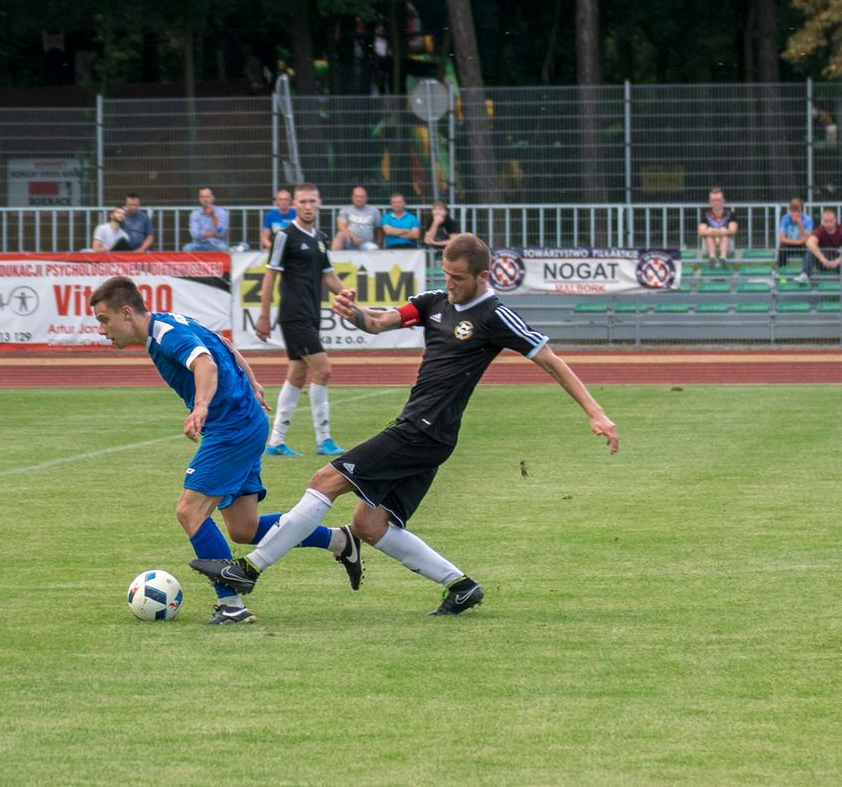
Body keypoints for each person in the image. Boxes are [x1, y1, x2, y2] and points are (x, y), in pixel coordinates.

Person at [191, 232, 619, 617]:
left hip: (424, 430)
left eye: (458, 278)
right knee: (369, 525)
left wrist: (595, 412)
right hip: (425, 431)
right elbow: (379, 322)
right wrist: (352, 312)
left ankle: (247, 569)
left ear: (483, 276)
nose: (450, 284)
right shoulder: (434, 302)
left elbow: (550, 360)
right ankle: (461, 586)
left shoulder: (494, 315)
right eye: (446, 275)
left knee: (325, 480)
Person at [89, 276, 363, 625]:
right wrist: (252, 380)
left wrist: (201, 406)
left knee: (190, 511)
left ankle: (231, 605)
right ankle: (340, 540)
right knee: (243, 529)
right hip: (244, 423)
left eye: (104, 320)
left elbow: (206, 361)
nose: (102, 330)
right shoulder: (171, 321)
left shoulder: (166, 335)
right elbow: (222, 343)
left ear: (126, 312)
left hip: (230, 430)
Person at [256, 182, 348, 458]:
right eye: (303, 202)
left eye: (312, 201)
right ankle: (324, 439)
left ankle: (275, 442)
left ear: (319, 203)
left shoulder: (320, 237)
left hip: (312, 314)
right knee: (324, 370)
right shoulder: (285, 235)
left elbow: (329, 277)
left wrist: (349, 297)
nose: (308, 206)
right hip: (294, 315)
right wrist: (264, 315)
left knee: (297, 375)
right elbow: (270, 274)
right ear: (295, 204)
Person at [794, 208, 842, 282]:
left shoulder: (840, 230)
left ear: (836, 220)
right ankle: (805, 274)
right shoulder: (820, 230)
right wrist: (823, 259)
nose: (828, 224)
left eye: (831, 221)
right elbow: (809, 242)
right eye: (826, 221)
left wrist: (838, 261)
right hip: (821, 262)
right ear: (822, 221)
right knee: (811, 250)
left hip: (837, 262)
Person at [331, 186, 381, 251]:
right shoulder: (345, 210)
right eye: (357, 196)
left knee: (375, 250)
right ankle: (332, 259)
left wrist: (379, 244)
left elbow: (379, 229)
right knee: (340, 235)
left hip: (366, 243)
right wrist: (353, 236)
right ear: (352, 197)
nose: (359, 199)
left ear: (366, 198)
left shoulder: (374, 211)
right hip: (349, 242)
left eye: (362, 197)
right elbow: (341, 227)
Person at [182, 187, 231, 252]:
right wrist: (213, 234)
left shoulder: (221, 212)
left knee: (223, 248)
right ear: (199, 199)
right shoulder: (195, 214)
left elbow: (222, 233)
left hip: (216, 244)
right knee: (187, 248)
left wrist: (212, 216)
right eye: (202, 197)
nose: (205, 199)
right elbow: (194, 234)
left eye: (207, 197)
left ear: (212, 198)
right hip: (199, 244)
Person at [699, 187, 738, 267]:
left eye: (718, 200)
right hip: (708, 246)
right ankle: (712, 258)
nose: (716, 202)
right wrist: (710, 231)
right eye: (713, 200)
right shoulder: (706, 215)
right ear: (710, 201)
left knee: (724, 234)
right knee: (708, 235)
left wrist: (723, 231)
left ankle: (723, 258)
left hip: (727, 246)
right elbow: (701, 231)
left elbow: (733, 230)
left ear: (723, 200)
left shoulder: (730, 214)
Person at [777, 198, 813, 268]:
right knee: (782, 248)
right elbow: (782, 238)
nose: (796, 214)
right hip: (789, 244)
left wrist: (799, 223)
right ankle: (782, 273)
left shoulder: (808, 219)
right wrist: (798, 242)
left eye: (798, 211)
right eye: (793, 211)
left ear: (802, 211)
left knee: (809, 248)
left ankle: (805, 272)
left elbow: (807, 237)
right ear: (789, 211)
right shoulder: (785, 218)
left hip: (802, 245)